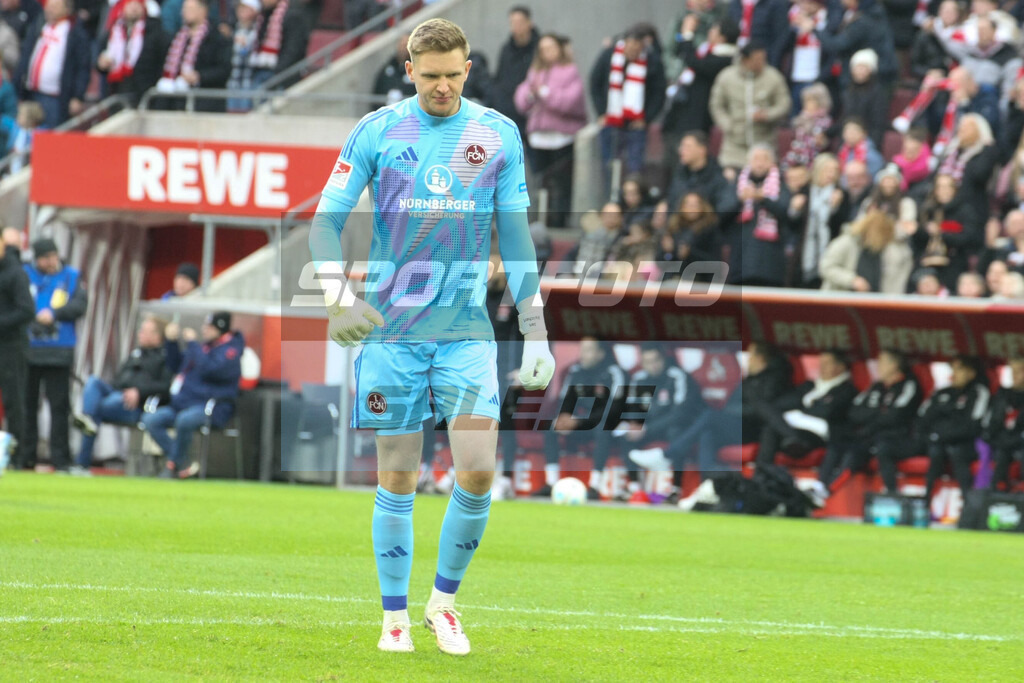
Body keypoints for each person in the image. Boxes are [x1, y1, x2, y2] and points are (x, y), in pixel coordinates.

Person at [307, 19, 555, 656]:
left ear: (468, 68)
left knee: (477, 472)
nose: (442, 86)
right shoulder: (378, 131)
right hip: (393, 335)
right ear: (410, 70)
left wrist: (535, 329)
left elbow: (516, 240)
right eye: (430, 76)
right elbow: (324, 224)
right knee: (397, 477)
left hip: (466, 332)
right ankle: (393, 618)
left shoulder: (497, 134)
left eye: (452, 75)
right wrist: (336, 297)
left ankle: (442, 604)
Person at [141, 311, 243, 479]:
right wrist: (171, 342)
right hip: (183, 404)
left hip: (212, 407)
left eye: (209, 327)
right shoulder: (204, 348)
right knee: (151, 419)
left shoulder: (230, 352)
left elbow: (209, 369)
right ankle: (183, 463)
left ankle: (172, 466)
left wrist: (193, 343)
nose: (204, 329)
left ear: (220, 329)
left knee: (185, 420)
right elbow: (176, 366)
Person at [71, 316, 172, 474]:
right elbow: (117, 380)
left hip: (135, 406)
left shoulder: (165, 358)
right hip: (117, 393)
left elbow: (166, 387)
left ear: (157, 336)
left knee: (96, 410)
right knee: (93, 382)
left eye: (144, 331)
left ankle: (82, 459)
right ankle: (88, 418)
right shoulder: (136, 354)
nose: (140, 333)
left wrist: (139, 391)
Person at [22, 237, 88, 472]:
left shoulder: (71, 276)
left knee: (60, 407)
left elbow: (80, 306)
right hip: (28, 349)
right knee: (27, 405)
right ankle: (25, 456)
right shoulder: (25, 274)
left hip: (60, 350)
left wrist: (54, 314)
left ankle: (61, 458)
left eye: (53, 256)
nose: (50, 262)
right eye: (45, 258)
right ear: (36, 259)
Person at [817, 349, 923, 494]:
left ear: (894, 365)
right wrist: (878, 412)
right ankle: (819, 485)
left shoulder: (909, 385)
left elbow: (895, 416)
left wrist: (874, 415)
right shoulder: (876, 387)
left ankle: (829, 490)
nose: (878, 366)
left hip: (895, 438)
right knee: (837, 443)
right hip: (868, 435)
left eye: (882, 362)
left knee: (857, 453)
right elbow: (854, 412)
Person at [513, 32, 587, 228]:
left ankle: (558, 221)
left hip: (562, 137)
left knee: (561, 182)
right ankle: (538, 219)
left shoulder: (570, 71)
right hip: (538, 137)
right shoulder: (535, 71)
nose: (547, 52)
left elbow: (571, 101)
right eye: (543, 49)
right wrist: (530, 95)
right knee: (539, 181)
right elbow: (521, 99)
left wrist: (545, 94)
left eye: (550, 48)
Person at [537, 337, 625, 500]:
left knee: (603, 428)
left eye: (588, 350)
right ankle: (551, 483)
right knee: (551, 426)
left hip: (608, 426)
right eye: (582, 350)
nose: (583, 354)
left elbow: (613, 409)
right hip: (582, 424)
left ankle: (595, 486)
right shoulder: (575, 371)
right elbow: (564, 399)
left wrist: (579, 421)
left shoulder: (613, 372)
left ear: (600, 353)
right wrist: (564, 416)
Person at [614, 343, 696, 502]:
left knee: (676, 432)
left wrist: (647, 429)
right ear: (642, 362)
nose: (653, 365)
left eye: (656, 360)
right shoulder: (639, 379)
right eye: (647, 361)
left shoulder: (677, 376)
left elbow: (680, 413)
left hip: (670, 425)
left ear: (663, 358)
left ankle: (675, 489)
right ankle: (634, 487)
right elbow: (632, 408)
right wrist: (634, 425)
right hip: (648, 427)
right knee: (626, 433)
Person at [589, 25, 666, 191]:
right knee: (609, 165)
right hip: (611, 121)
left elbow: (659, 94)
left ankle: (633, 198)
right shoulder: (609, 55)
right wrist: (601, 112)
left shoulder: (652, 61)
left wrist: (646, 119)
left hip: (636, 125)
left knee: (635, 166)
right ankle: (611, 196)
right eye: (630, 47)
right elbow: (595, 82)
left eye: (637, 48)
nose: (632, 52)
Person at [752, 349, 857, 467]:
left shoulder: (847, 390)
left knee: (772, 427)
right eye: (821, 363)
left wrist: (801, 410)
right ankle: (769, 463)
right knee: (768, 422)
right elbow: (782, 403)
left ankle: (765, 468)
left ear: (841, 367)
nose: (822, 367)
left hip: (819, 434)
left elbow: (827, 411)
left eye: (827, 363)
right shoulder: (809, 385)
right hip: (793, 427)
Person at [662, 15, 739, 174]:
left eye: (714, 30)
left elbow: (694, 62)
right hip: (683, 111)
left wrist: (688, 34)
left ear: (722, 37)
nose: (710, 32)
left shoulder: (725, 59)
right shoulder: (707, 50)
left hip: (698, 115)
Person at [918, 355, 991, 503]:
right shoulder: (942, 392)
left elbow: (973, 425)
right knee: (935, 451)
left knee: (956, 451)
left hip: (968, 443)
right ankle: (925, 501)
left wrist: (944, 434)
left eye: (959, 369)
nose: (954, 373)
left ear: (971, 373)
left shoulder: (979, 392)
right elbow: (923, 418)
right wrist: (935, 436)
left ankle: (968, 502)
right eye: (953, 369)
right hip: (938, 441)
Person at [708, 41, 789, 170]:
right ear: (745, 59)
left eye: (763, 58)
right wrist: (727, 124)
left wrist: (768, 115)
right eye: (757, 59)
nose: (761, 62)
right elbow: (716, 105)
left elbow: (784, 104)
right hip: (734, 146)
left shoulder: (773, 77)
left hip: (764, 144)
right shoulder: (726, 77)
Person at [722, 143, 791, 286]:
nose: (760, 163)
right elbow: (721, 215)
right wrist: (740, 200)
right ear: (749, 162)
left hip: (770, 264)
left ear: (772, 163)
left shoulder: (781, 185)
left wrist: (764, 200)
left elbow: (787, 214)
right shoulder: (737, 185)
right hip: (740, 262)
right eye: (756, 159)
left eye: (764, 159)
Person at [15, 0, 91, 128]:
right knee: (27, 133)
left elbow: (82, 67)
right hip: (31, 93)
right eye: (48, 6)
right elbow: (25, 56)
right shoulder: (39, 25)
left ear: (67, 10)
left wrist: (78, 96)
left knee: (51, 133)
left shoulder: (74, 32)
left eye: (55, 6)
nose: (49, 9)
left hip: (55, 98)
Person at [152, 0, 232, 112]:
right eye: (184, 9)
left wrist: (198, 76)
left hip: (205, 103)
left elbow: (224, 70)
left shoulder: (217, 39)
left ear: (203, 11)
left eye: (190, 9)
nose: (185, 12)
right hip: (175, 102)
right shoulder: (178, 38)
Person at [909, 172, 981, 291]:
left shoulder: (964, 211)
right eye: (940, 187)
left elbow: (968, 238)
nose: (944, 191)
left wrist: (940, 233)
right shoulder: (928, 210)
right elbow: (919, 241)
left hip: (954, 262)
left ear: (954, 189)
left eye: (948, 187)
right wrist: (919, 231)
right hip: (928, 262)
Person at [0, 227, 33, 470]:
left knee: (14, 402)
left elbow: (27, 310)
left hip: (11, 346)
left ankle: (17, 456)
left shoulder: (15, 273)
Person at [95, 0, 168, 105]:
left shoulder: (154, 31)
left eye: (137, 4)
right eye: (130, 4)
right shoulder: (114, 32)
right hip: (117, 90)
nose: (134, 8)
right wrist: (101, 64)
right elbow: (100, 59)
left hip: (144, 93)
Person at [795, 153, 848, 288]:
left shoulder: (842, 194)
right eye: (827, 169)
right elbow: (792, 224)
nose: (831, 174)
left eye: (835, 170)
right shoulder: (804, 191)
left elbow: (841, 226)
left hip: (828, 252)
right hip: (803, 253)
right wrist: (794, 209)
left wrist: (835, 208)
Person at [492, 6, 538, 151]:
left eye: (520, 22)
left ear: (529, 23)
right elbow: (499, 79)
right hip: (509, 116)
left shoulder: (540, 49)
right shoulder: (506, 49)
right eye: (513, 22)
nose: (516, 27)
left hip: (534, 117)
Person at [665, 130, 732, 213]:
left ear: (702, 150)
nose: (681, 150)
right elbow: (671, 202)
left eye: (687, 147)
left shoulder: (718, 176)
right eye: (681, 146)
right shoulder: (679, 174)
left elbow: (725, 207)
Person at [986, 356, 1024, 491]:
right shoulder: (1003, 394)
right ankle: (996, 492)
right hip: (1004, 441)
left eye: (1019, 371)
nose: (1015, 375)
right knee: (999, 452)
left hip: (1020, 441)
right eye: (1012, 371)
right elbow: (993, 422)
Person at [841, 49, 887, 148]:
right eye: (857, 67)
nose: (860, 71)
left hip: (867, 140)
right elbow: (844, 118)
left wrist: (871, 145)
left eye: (864, 67)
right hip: (847, 138)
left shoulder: (877, 92)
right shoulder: (848, 90)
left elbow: (878, 123)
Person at [0, 100, 46, 174]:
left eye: (21, 114)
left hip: (29, 171)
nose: (18, 116)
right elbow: (3, 121)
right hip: (11, 169)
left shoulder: (41, 133)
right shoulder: (16, 128)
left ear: (31, 117)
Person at [372, 32, 415, 107]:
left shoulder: (415, 69)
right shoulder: (388, 68)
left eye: (406, 45)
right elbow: (377, 91)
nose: (403, 49)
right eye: (401, 45)